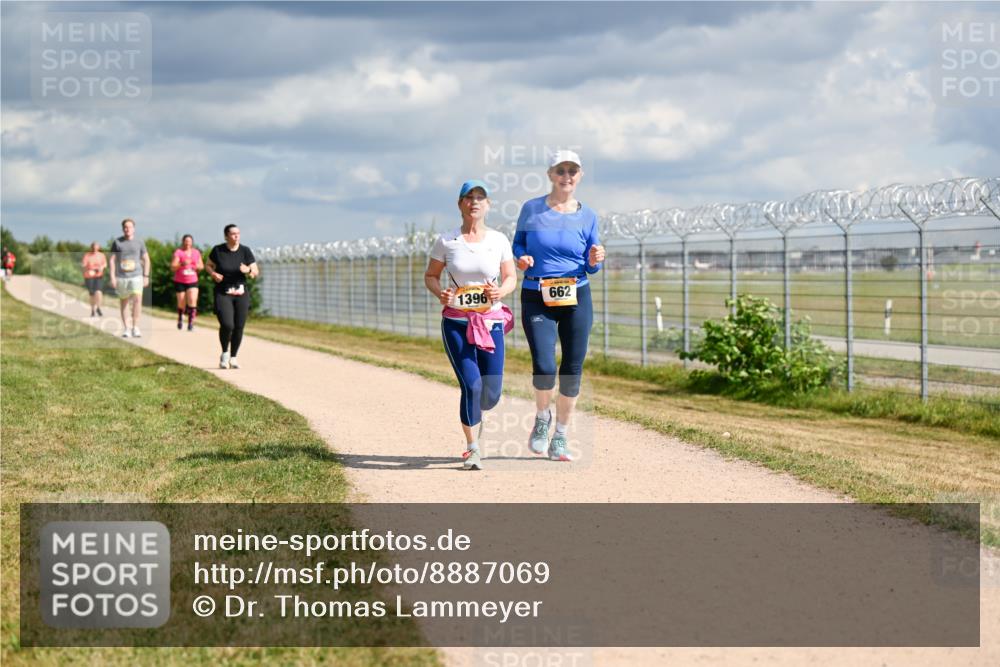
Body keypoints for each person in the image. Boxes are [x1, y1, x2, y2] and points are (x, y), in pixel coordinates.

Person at [512, 150, 605, 462]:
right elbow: (518, 245)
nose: (567, 176)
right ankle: (542, 420)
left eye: (573, 171)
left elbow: (592, 262)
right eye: (561, 170)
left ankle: (561, 437)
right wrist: (521, 259)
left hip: (576, 294)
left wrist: (594, 261)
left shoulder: (589, 215)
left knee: (572, 368)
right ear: (551, 174)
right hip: (537, 294)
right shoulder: (532, 209)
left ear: (580, 176)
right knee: (544, 364)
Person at [424, 180, 517, 470]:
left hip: (490, 322)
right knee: (472, 385)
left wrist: (500, 292)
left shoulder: (499, 240)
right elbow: (430, 275)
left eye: (480, 197)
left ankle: (478, 414)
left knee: (491, 393)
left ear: (487, 205)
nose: (474, 202)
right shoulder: (447, 241)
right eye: (469, 197)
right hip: (456, 322)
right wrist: (442, 293)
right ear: (460, 204)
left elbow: (510, 277)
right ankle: (472, 447)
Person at [206, 224, 259, 369]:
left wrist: (248, 270)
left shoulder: (245, 251)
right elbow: (208, 265)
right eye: (233, 234)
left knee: (239, 326)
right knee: (227, 324)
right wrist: (213, 274)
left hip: (241, 293)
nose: (236, 236)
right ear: (226, 236)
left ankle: (234, 357)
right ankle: (224, 353)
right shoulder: (218, 250)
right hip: (223, 293)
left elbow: (255, 271)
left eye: (238, 233)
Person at [108, 218, 150, 338]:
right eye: (125, 227)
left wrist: (146, 276)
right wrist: (112, 277)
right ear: (123, 229)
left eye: (130, 227)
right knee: (124, 301)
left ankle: (135, 327)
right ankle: (127, 328)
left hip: (136, 275)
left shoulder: (140, 242)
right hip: (122, 277)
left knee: (137, 300)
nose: (127, 229)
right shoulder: (117, 242)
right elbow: (112, 260)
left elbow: (146, 259)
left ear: (134, 229)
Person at [170, 234, 204, 330]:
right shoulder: (179, 252)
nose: (188, 243)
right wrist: (181, 264)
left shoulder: (196, 252)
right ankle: (180, 317)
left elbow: (201, 266)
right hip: (180, 281)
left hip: (192, 280)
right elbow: (173, 267)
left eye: (189, 241)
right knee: (181, 302)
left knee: (192, 300)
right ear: (183, 241)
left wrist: (195, 266)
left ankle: (190, 323)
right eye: (186, 241)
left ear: (192, 242)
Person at [80, 242, 107, 317]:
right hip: (89, 276)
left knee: (99, 292)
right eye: (93, 248)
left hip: (98, 276)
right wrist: (87, 269)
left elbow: (105, 264)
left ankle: (98, 307)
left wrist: (101, 267)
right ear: (91, 247)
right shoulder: (87, 255)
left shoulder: (101, 255)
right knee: (92, 294)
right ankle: (92, 310)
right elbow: (83, 265)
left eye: (96, 248)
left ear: (98, 247)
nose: (94, 249)